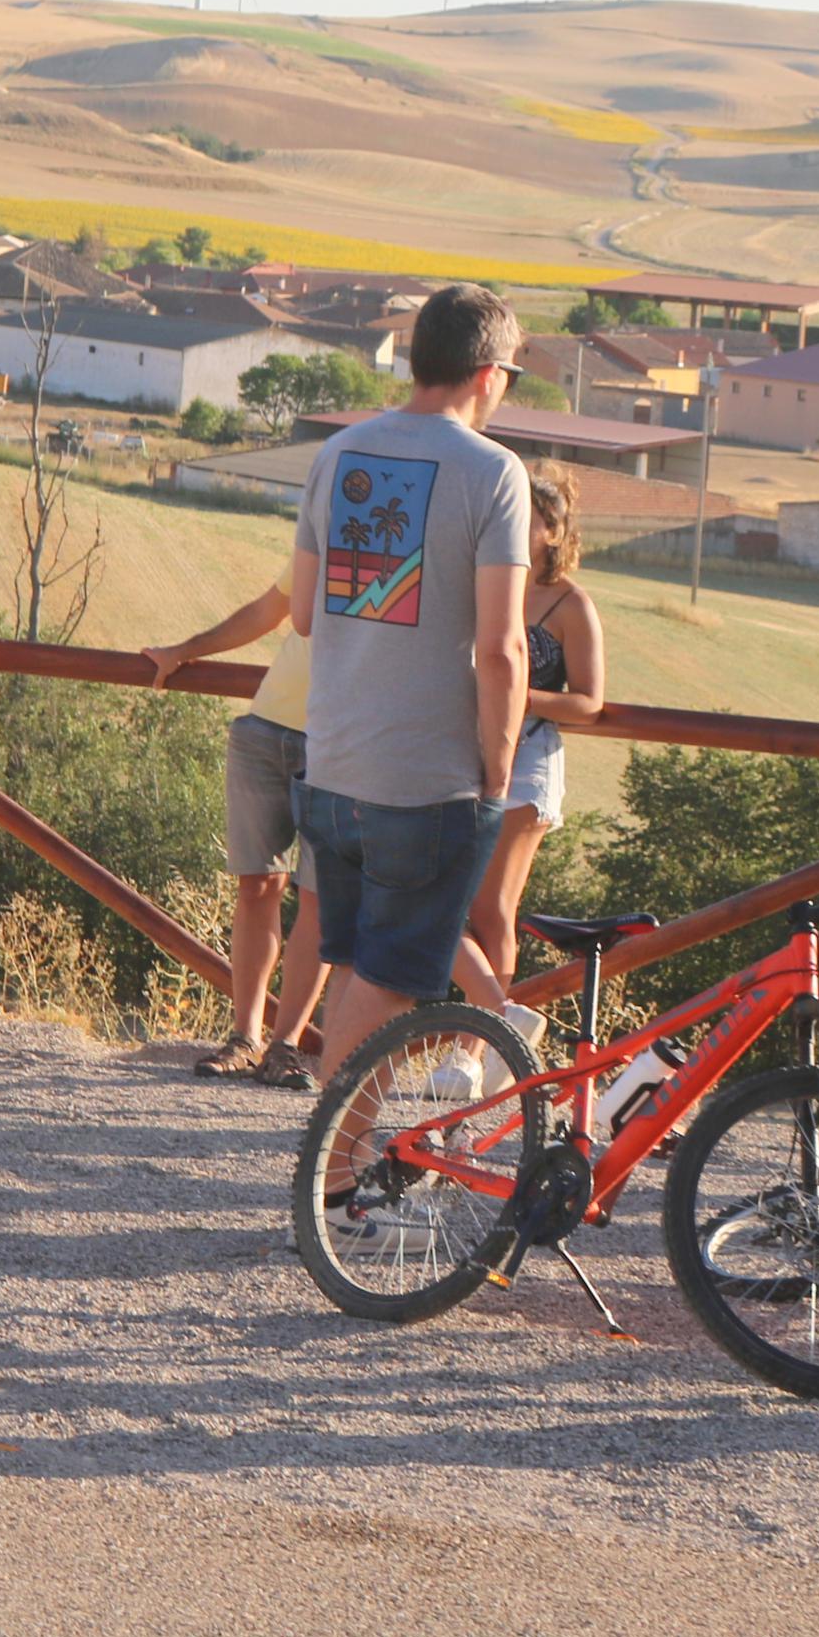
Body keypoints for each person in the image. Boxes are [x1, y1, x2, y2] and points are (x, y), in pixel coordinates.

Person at [282, 283, 531, 1053]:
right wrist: (497, 765)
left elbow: (300, 612)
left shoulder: (338, 451)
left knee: (360, 962)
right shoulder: (494, 472)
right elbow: (502, 647)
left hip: (330, 765)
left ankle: (337, 1162)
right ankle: (334, 1166)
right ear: (488, 372)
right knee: (391, 983)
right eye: (512, 375)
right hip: (425, 779)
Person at [142, 580, 333, 1086]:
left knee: (321, 898)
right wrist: (183, 652)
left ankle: (286, 1047)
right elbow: (267, 612)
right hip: (266, 728)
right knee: (257, 885)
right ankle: (246, 1039)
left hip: (342, 741)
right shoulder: (325, 520)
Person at [461, 462, 604, 1024]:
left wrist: (521, 696)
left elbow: (589, 702)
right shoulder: (487, 582)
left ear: (551, 532)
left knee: (492, 908)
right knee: (448, 903)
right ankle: (496, 1026)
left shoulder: (572, 606)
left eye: (526, 516)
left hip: (529, 760)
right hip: (464, 751)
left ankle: (482, 1042)